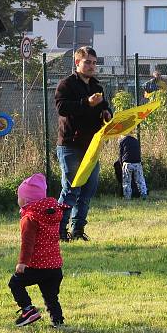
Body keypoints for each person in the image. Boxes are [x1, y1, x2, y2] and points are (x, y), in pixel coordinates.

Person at [55, 46, 112, 241]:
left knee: (88, 190)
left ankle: (77, 230)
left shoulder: (97, 86)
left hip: (92, 145)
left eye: (94, 63)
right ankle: (59, 231)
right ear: (77, 62)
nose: (91, 66)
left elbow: (105, 108)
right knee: (71, 189)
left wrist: (107, 114)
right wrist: (85, 102)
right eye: (87, 62)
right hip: (70, 145)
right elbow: (62, 107)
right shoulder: (66, 84)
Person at [8, 173, 69, 328]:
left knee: (15, 283)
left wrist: (22, 263)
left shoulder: (30, 217)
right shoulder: (52, 213)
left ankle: (28, 311)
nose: (18, 199)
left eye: (19, 196)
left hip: (38, 266)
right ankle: (58, 321)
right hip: (55, 267)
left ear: (26, 200)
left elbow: (27, 243)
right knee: (51, 297)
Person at [118, 133, 148, 200]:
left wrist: (121, 164)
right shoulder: (136, 140)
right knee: (140, 180)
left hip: (127, 163)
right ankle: (144, 194)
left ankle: (127, 197)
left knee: (127, 182)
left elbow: (120, 155)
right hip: (137, 162)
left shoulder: (122, 141)